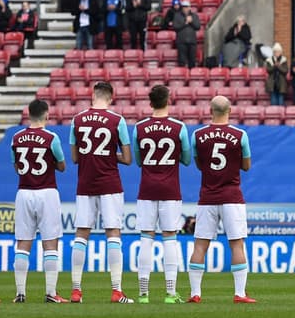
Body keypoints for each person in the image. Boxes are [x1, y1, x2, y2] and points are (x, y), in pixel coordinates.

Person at [186, 96, 255, 303]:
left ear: (210, 111)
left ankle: (195, 293)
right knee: (237, 244)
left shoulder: (198, 135)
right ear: (230, 111)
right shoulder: (240, 135)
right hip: (232, 197)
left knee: (200, 245)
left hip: (207, 196)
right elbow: (246, 166)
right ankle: (239, 293)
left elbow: (199, 165)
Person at [69, 81, 134, 303]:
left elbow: (75, 158)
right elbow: (128, 158)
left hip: (85, 183)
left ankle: (76, 290)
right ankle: (116, 291)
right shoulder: (117, 120)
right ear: (111, 97)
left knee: (81, 233)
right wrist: (108, 154)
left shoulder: (77, 119)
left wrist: (93, 155)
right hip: (109, 183)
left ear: (93, 95)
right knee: (113, 232)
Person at [132, 85, 192, 304]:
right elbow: (187, 160)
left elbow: (139, 161)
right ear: (169, 100)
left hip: (147, 188)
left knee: (146, 238)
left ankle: (143, 294)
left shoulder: (139, 127)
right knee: (170, 238)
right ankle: (170, 293)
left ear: (150, 103)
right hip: (170, 189)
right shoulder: (179, 127)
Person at [11, 99, 68, 303]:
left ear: (28, 115)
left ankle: (20, 293)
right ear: (46, 115)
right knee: (50, 243)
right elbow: (62, 166)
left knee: (23, 243)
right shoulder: (51, 138)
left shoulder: (16, 138)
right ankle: (51, 293)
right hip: (47, 192)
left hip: (24, 192)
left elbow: (17, 166)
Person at [172, 1, 201, 68]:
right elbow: (175, 27)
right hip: (181, 42)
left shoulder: (194, 16)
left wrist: (191, 22)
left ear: (190, 7)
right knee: (182, 61)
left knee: (192, 61)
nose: (185, 8)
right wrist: (185, 23)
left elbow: (198, 27)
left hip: (192, 42)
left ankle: (192, 74)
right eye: (184, 7)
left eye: (187, 7)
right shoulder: (177, 15)